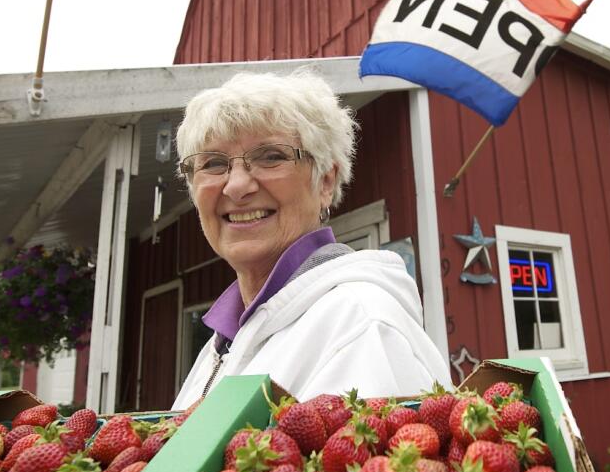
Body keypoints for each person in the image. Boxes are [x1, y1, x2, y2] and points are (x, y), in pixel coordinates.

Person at [170, 68, 451, 409]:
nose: (237, 186)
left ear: (326, 182)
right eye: (213, 163)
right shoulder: (225, 339)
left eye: (270, 157)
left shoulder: (359, 323)